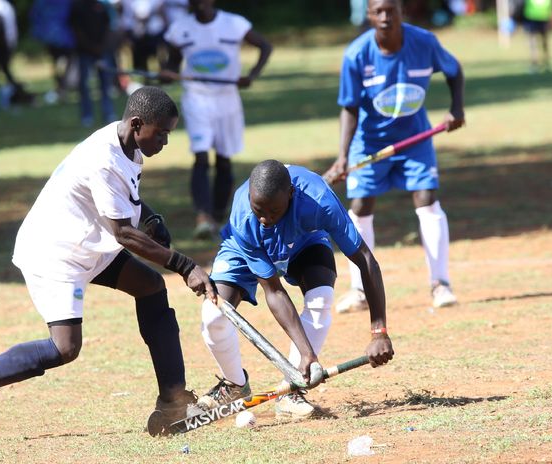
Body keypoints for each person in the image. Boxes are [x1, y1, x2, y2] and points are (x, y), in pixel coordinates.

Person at [0, 87, 218, 443]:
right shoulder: (105, 156)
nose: (166, 141)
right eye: (162, 133)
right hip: (54, 253)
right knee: (64, 348)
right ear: (138, 124)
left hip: (87, 242)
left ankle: (173, 400)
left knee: (151, 287)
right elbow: (123, 233)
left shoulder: (127, 142)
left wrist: (151, 217)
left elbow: (120, 196)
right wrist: (185, 266)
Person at [195, 160, 394, 420]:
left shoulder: (319, 200)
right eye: (259, 209)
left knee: (321, 297)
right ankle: (235, 385)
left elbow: (365, 260)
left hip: (304, 239)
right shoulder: (245, 215)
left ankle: (291, 391)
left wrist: (379, 331)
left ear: (291, 194)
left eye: (273, 210)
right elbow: (274, 291)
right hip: (244, 246)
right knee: (213, 315)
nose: (265, 219)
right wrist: (307, 351)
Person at [325, 0, 465, 312]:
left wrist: (457, 108)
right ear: (370, 15)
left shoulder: (424, 42)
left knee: (427, 198)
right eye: (379, 11)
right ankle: (360, 291)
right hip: (369, 141)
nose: (386, 17)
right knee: (361, 205)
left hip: (415, 138)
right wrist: (343, 156)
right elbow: (349, 107)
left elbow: (454, 70)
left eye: (391, 10)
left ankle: (440, 284)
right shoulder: (356, 54)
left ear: (401, 11)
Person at [161, 0, 272, 240]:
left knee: (223, 158)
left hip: (227, 99)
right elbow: (170, 64)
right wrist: (167, 74)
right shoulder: (180, 29)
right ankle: (203, 215)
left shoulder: (234, 24)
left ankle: (219, 213)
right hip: (197, 98)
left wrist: (251, 76)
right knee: (200, 156)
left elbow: (265, 46)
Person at [70, 0, 117, 126]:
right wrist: (90, 47)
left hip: (102, 51)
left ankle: (108, 113)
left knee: (105, 84)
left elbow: (109, 26)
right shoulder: (78, 6)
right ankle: (87, 115)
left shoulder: (103, 5)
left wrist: (102, 47)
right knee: (84, 85)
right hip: (84, 51)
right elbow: (76, 28)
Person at [30, 0, 77, 103]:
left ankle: (61, 86)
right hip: (61, 37)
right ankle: (62, 86)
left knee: (60, 64)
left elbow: (35, 15)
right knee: (62, 64)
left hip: (57, 37)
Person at [520, 0, 552, 73]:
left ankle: (546, 63)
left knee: (544, 42)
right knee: (533, 43)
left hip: (544, 17)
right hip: (531, 18)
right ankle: (534, 64)